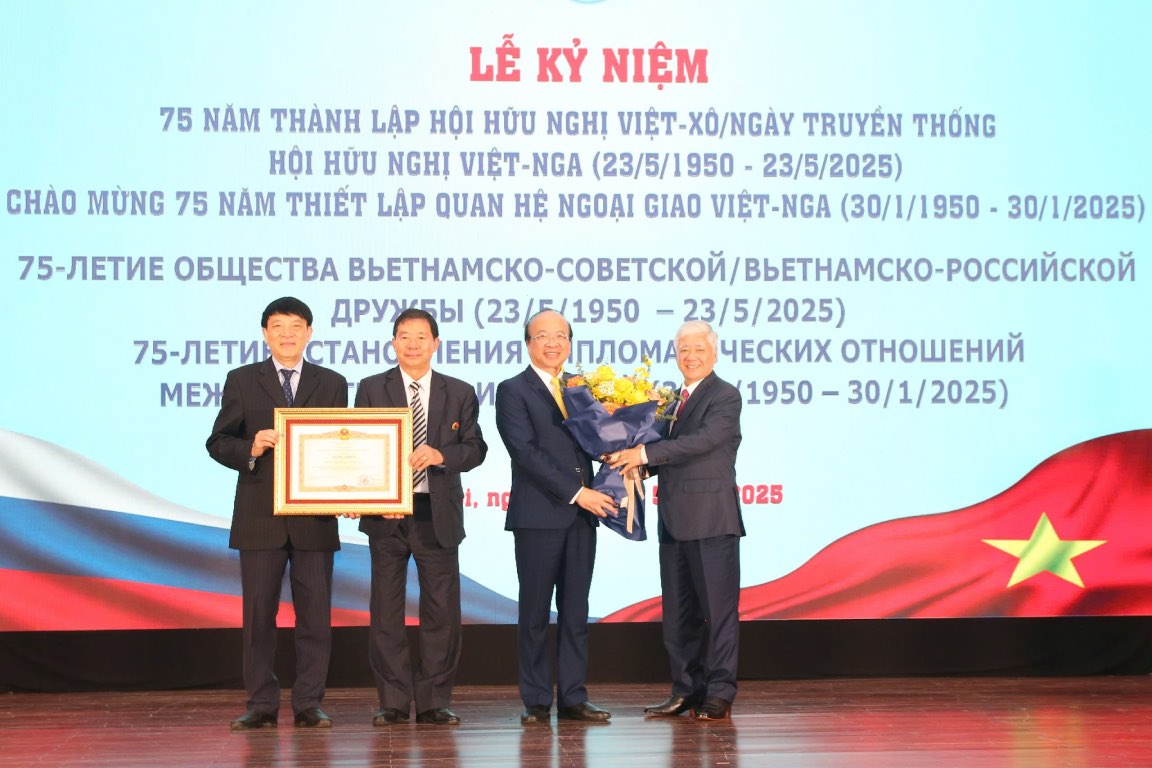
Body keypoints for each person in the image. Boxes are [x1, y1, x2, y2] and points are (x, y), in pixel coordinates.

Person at [206, 296, 349, 729]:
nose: (287, 333)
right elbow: (217, 442)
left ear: (310, 332)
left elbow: (345, 447)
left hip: (315, 517)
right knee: (258, 619)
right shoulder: (242, 380)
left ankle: (309, 703)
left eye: (296, 325)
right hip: (259, 517)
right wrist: (251, 445)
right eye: (277, 326)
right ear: (265, 333)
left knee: (315, 619)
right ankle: (261, 704)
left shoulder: (333, 382)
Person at [353, 308, 487, 726]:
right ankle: (392, 700)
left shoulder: (460, 391)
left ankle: (433, 700)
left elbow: (476, 449)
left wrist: (441, 454)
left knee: (441, 611)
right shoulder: (372, 388)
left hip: (436, 513)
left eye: (421, 337)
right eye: (404, 336)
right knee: (386, 610)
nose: (412, 344)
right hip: (386, 513)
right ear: (393, 343)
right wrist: (359, 493)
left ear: (436, 343)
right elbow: (358, 446)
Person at [608, 320, 744, 721]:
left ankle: (719, 692)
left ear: (714, 353)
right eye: (684, 349)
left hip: (713, 521)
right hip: (675, 521)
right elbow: (659, 449)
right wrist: (627, 461)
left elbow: (699, 443)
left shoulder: (725, 396)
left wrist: (644, 457)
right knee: (678, 616)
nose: (691, 356)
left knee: (718, 613)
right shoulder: (671, 400)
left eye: (699, 349)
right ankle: (685, 689)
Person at [495, 309, 619, 724]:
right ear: (528, 343)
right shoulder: (512, 390)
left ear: (570, 343)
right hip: (538, 516)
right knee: (533, 612)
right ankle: (534, 700)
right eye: (543, 335)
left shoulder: (583, 390)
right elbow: (525, 452)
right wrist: (577, 493)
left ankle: (572, 697)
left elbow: (596, 443)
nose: (553, 343)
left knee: (575, 610)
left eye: (561, 336)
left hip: (583, 518)